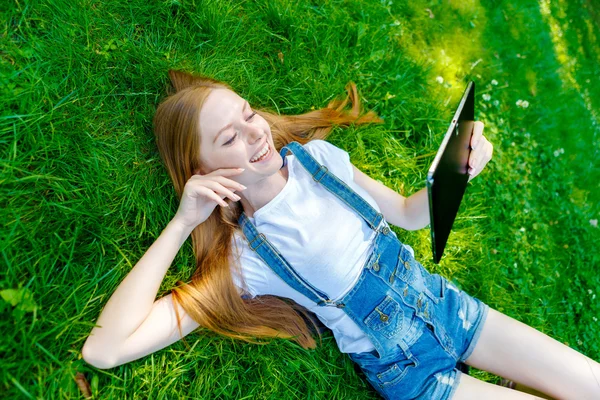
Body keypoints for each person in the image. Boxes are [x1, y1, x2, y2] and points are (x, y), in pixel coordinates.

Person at [82, 70, 600, 400]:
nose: (256, 132)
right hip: (417, 377)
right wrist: (182, 223)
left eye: (247, 114)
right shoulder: (247, 258)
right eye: (229, 138)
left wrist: (458, 171)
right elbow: (103, 351)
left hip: (452, 310)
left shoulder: (321, 162)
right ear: (202, 169)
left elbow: (408, 213)